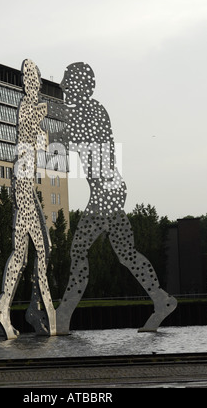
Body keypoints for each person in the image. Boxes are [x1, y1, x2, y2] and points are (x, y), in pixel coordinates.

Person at [55, 62, 177, 335]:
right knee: (126, 254)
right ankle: (161, 299)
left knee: (78, 251)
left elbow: (72, 137)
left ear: (80, 86)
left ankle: (63, 317)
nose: (62, 85)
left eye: (66, 81)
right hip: (110, 190)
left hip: (105, 192)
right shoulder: (85, 111)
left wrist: (46, 129)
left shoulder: (93, 111)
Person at [0, 59, 56, 339]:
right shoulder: (27, 108)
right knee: (39, 252)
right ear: (25, 82)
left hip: (26, 186)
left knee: (27, 253)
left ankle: (12, 310)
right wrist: (45, 115)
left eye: (35, 77)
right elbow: (33, 133)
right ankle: (38, 311)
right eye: (29, 77)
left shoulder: (31, 110)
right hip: (23, 185)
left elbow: (39, 144)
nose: (34, 82)